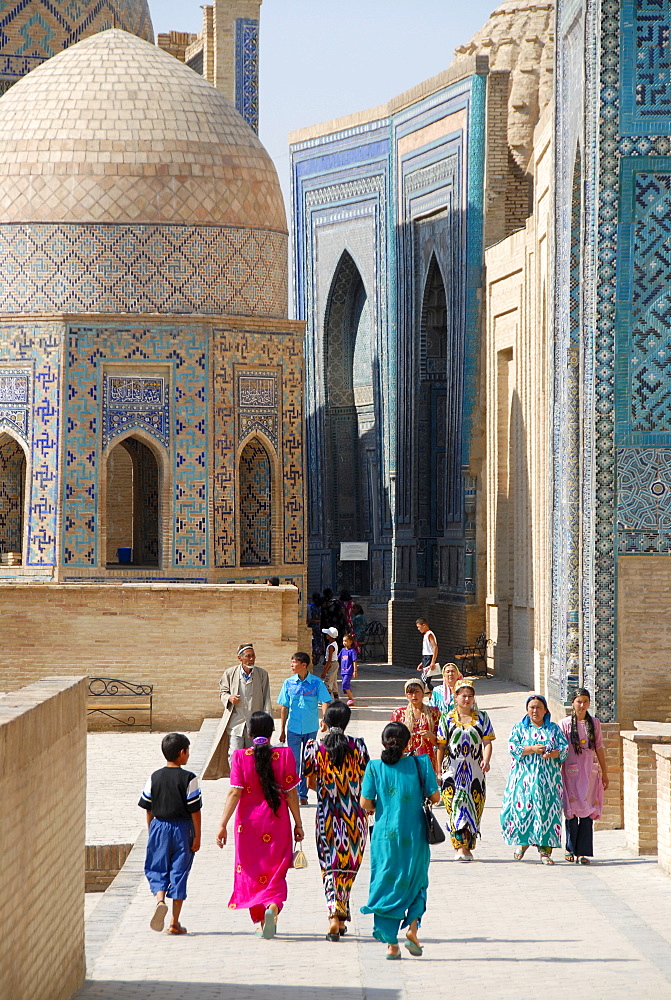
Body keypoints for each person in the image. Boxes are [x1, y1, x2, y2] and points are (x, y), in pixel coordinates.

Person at [216, 712, 303, 939]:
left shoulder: (240, 757)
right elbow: (291, 793)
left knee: (251, 870)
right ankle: (273, 906)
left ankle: (260, 920)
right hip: (278, 821)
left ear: (249, 733)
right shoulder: (285, 755)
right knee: (276, 869)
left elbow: (234, 792)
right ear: (272, 731)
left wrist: (222, 824)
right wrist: (298, 824)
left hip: (248, 824)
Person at [360, 721, 440, 959]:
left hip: (385, 838)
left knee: (385, 882)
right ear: (408, 743)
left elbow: (365, 803)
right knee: (417, 881)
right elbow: (435, 796)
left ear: (383, 742)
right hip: (414, 836)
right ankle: (413, 930)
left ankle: (391, 944)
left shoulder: (374, 767)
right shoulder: (421, 762)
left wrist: (379, 806)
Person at [304, 700, 369, 940]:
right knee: (348, 867)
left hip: (326, 816)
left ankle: (334, 914)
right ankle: (340, 914)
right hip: (355, 817)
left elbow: (310, 783)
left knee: (329, 868)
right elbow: (367, 781)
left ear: (326, 721)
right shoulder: (359, 747)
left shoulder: (313, 748)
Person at [138, 732, 202, 935]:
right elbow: (195, 810)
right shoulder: (189, 779)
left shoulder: (154, 776)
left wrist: (151, 831)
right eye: (188, 751)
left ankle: (159, 900)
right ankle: (174, 922)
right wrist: (197, 836)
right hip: (182, 829)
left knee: (157, 867)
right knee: (179, 872)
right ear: (182, 753)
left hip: (159, 826)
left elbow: (147, 807)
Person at [500, 694, 569, 864]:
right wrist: (531, 748)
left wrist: (553, 753)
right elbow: (512, 747)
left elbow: (564, 749)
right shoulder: (519, 728)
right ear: (527, 710)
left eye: (539, 707)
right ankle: (523, 843)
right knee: (523, 812)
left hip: (549, 781)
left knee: (546, 814)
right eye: (532, 707)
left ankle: (545, 852)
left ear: (545, 710)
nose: (535, 710)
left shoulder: (553, 729)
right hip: (524, 780)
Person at [436, 681, 495, 861]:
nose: (467, 699)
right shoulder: (446, 718)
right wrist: (438, 771)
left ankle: (469, 847)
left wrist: (486, 760)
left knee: (474, 808)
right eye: (463, 695)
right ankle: (459, 848)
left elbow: (487, 742)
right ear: (456, 697)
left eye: (470, 695)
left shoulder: (482, 717)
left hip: (475, 772)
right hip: (452, 772)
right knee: (455, 809)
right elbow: (441, 746)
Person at [202, 643, 272, 779]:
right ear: (240, 658)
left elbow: (267, 699)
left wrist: (267, 723)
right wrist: (229, 698)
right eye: (248, 656)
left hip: (255, 723)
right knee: (235, 753)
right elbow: (222, 692)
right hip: (236, 722)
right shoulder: (230, 673)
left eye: (253, 656)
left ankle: (252, 781)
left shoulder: (262, 674)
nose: (251, 659)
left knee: (254, 754)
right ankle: (237, 780)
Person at [560, 687, 610, 864]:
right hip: (570, 773)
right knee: (571, 811)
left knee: (588, 811)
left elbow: (599, 747)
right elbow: (561, 750)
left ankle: (583, 852)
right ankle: (570, 849)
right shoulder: (564, 724)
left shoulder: (594, 723)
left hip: (589, 772)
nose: (582, 705)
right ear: (572, 703)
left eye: (585, 702)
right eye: (579, 701)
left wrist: (604, 772)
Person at [278, 651, 332, 806]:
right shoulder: (288, 683)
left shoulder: (316, 683)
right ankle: (293, 792)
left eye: (295, 662)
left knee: (307, 761)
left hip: (310, 728)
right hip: (293, 728)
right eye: (291, 662)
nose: (292, 665)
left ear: (304, 665)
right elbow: (284, 707)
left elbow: (325, 702)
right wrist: (282, 730)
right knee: (293, 761)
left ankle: (303, 794)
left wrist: (325, 720)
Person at [390, 679, 440, 771]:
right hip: (405, 759)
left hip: (427, 759)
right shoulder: (399, 714)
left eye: (417, 692)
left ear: (423, 692)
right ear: (406, 695)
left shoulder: (434, 712)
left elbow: (441, 741)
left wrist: (431, 736)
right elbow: (391, 740)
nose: (414, 696)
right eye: (410, 693)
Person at [415, 618, 438, 691]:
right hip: (425, 658)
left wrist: (432, 662)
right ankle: (431, 697)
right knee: (425, 681)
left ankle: (436, 694)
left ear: (424, 625)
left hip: (429, 658)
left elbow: (435, 647)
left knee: (424, 680)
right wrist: (422, 662)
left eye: (419, 627)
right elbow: (427, 650)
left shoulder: (429, 634)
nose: (418, 629)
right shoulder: (425, 635)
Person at [339, 633, 358, 706]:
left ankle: (351, 698)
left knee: (345, 683)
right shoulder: (343, 650)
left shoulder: (352, 651)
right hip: (343, 671)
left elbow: (354, 661)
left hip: (349, 671)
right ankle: (350, 698)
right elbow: (338, 657)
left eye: (346, 641)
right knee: (344, 685)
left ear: (351, 642)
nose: (344, 643)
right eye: (343, 641)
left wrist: (355, 670)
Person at [307, 592, 324, 668]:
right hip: (320, 627)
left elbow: (309, 618)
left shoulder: (310, 607)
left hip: (313, 626)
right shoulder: (322, 607)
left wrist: (313, 621)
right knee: (319, 641)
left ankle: (314, 658)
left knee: (313, 642)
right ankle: (318, 656)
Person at [322, 625, 340, 698]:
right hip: (335, 664)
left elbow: (329, 660)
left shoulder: (331, 647)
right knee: (334, 681)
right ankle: (336, 699)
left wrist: (325, 671)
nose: (326, 635)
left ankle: (326, 699)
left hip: (332, 664)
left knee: (328, 681)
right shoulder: (334, 644)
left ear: (329, 636)